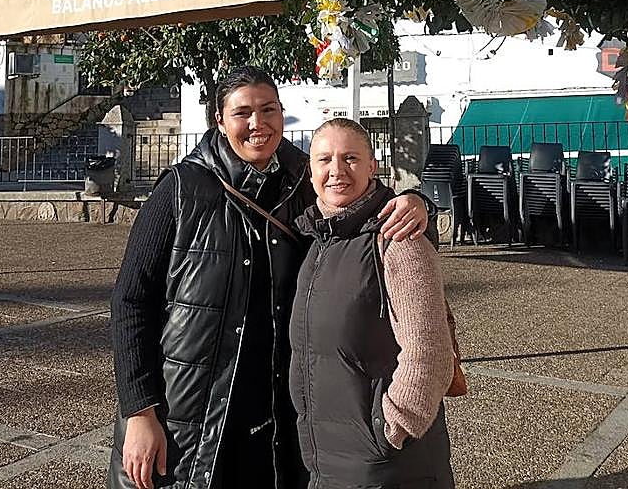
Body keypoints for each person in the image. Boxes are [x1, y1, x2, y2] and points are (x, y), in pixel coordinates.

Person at [109, 67, 430, 489]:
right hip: (190, 407)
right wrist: (139, 411)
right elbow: (131, 300)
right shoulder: (182, 188)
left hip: (277, 413)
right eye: (243, 112)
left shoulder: (303, 180)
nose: (257, 123)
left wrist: (418, 202)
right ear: (220, 122)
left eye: (268, 110)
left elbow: (368, 206)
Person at [290, 118, 455, 488]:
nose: (337, 171)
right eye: (324, 159)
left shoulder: (398, 237)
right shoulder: (317, 238)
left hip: (386, 466)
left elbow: (430, 351)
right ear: (310, 170)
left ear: (372, 165)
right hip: (327, 457)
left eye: (350, 158)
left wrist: (393, 427)